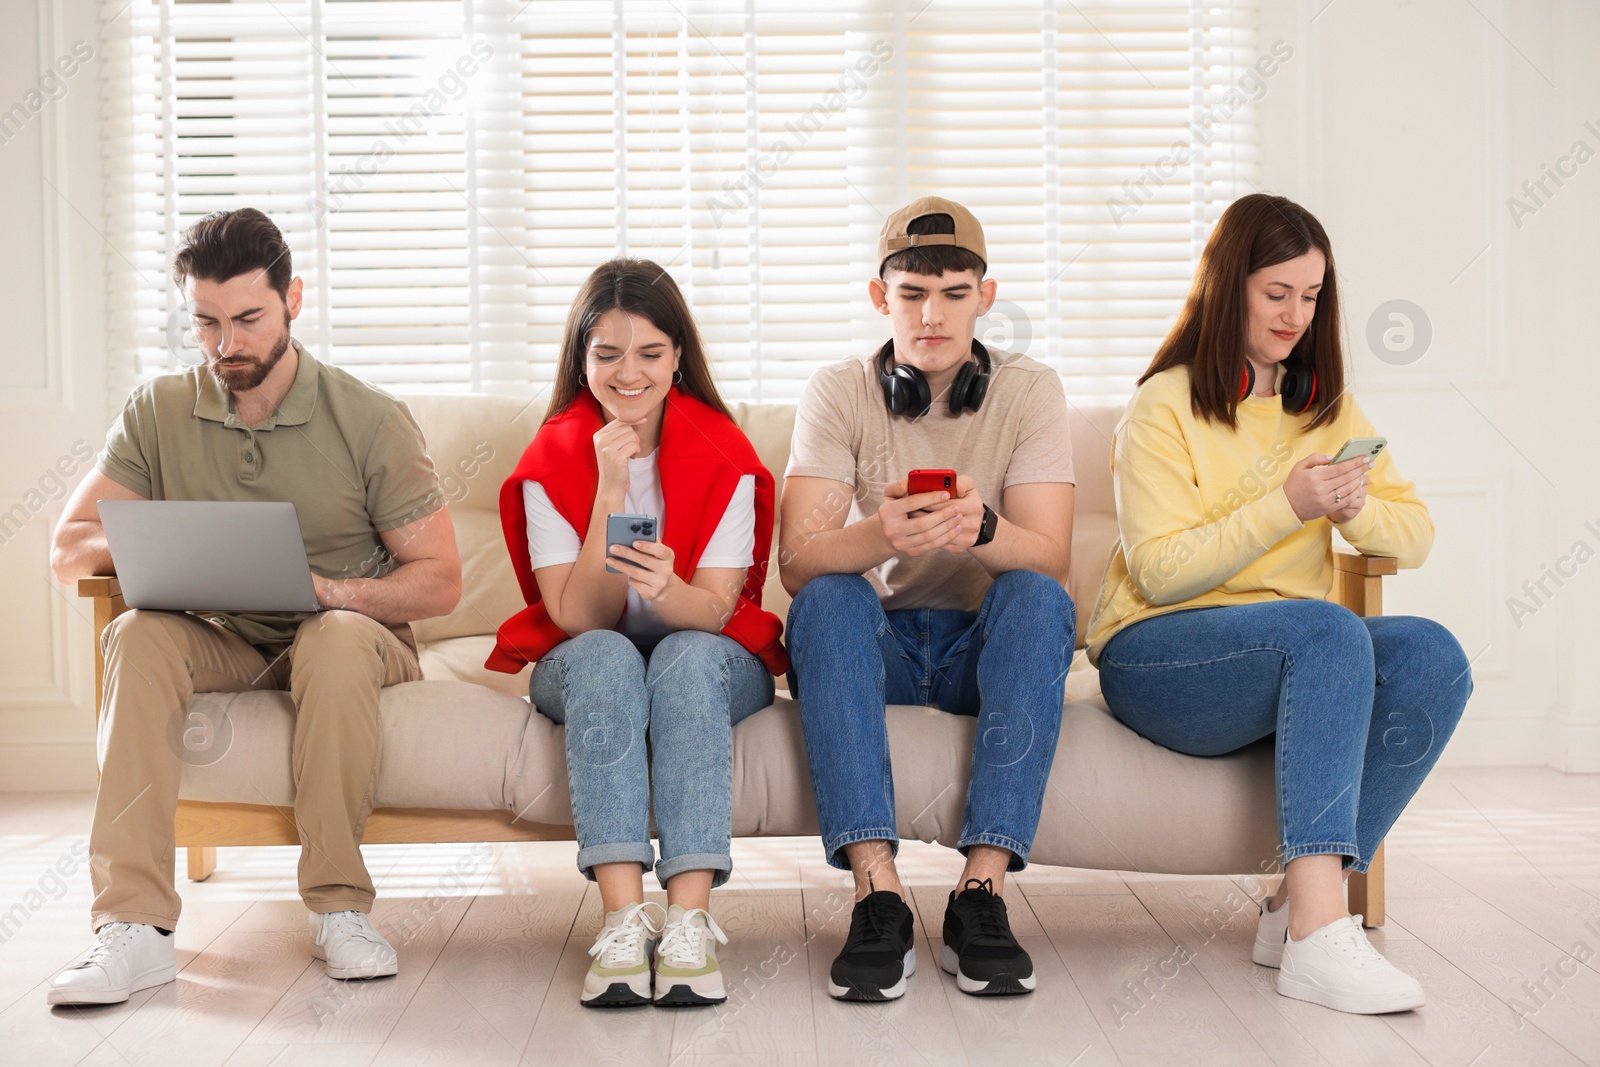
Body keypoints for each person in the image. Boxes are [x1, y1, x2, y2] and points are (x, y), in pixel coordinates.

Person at [47, 208, 461, 1005]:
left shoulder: (367, 417)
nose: (226, 344)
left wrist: (328, 591)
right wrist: (163, 540)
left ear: (294, 299)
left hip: (354, 638)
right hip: (229, 639)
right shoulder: (159, 410)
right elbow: (67, 549)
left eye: (247, 319)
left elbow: (440, 581)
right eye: (206, 322)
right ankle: (132, 929)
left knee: (334, 639)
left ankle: (340, 907)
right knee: (137, 635)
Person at [1085, 193, 1472, 1015]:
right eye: (1277, 293)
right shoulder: (1163, 405)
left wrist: (1349, 507)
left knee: (1433, 654)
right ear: (1231, 288)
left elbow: (1417, 534)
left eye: (1312, 295)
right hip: (1159, 656)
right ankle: (1324, 935)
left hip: (1293, 652)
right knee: (1327, 628)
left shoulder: (1323, 408)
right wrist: (1286, 506)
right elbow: (1158, 571)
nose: (1297, 314)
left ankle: (1292, 909)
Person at [780, 197, 1076, 1001]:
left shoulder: (1030, 390)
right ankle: (879, 894)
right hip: (882, 649)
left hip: (984, 647)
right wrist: (882, 533)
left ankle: (981, 893)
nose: (933, 314)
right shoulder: (838, 391)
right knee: (827, 601)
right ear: (882, 298)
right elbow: (798, 562)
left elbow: (1051, 557)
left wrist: (982, 529)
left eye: (953, 292)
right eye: (912, 293)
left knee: (1037, 598)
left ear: (985, 295)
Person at [486, 259, 787, 1008]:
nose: (629, 374)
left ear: (679, 355)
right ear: (580, 357)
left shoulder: (725, 454)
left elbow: (716, 612)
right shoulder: (553, 456)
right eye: (607, 354)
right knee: (608, 650)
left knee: (682, 654)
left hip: (707, 654)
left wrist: (668, 588)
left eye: (650, 353)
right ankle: (623, 922)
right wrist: (609, 494)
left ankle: (688, 924)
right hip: (589, 657)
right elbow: (576, 615)